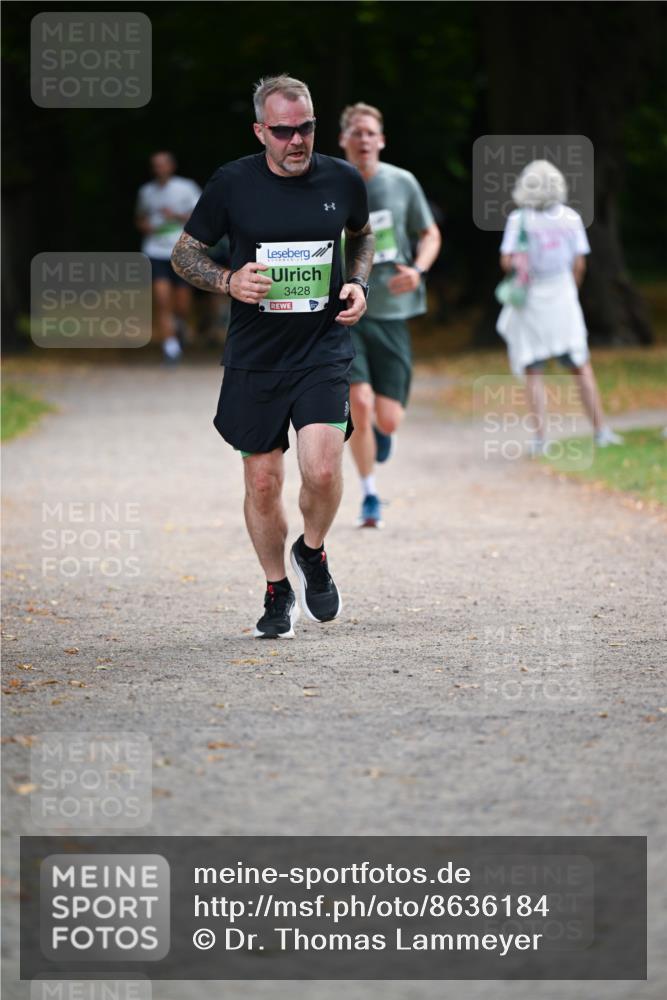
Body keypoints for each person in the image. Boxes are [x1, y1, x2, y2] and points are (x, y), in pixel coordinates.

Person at [171, 75, 373, 638]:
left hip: (322, 345)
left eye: (305, 127)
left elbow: (362, 236)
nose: (296, 140)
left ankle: (311, 551)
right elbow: (184, 254)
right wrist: (228, 280)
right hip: (256, 354)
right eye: (283, 130)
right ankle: (277, 589)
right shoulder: (231, 184)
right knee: (262, 482)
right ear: (261, 130)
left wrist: (357, 282)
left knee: (324, 467)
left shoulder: (341, 177)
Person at [339, 103, 441, 527]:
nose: (364, 140)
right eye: (356, 133)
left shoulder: (403, 183)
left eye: (370, 133)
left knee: (388, 417)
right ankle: (370, 495)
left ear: (381, 140)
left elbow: (430, 233)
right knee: (357, 403)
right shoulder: (328, 184)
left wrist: (417, 270)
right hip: (345, 312)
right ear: (343, 140)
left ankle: (383, 435)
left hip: (393, 309)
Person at [496, 159, 622, 453]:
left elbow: (506, 261)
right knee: (580, 365)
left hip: (532, 298)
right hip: (564, 295)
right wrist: (571, 290)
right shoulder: (571, 218)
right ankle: (600, 430)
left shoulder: (519, 220)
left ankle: (541, 438)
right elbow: (579, 263)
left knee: (533, 369)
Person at [136, 151, 201, 363]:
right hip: (155, 251)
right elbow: (140, 220)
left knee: (182, 305)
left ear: (172, 166)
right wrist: (146, 226)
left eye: (163, 164)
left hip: (181, 250)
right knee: (163, 300)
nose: (159, 169)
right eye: (155, 165)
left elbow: (202, 216)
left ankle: (180, 327)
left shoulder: (186, 187)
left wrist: (175, 216)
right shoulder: (146, 191)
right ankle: (170, 348)